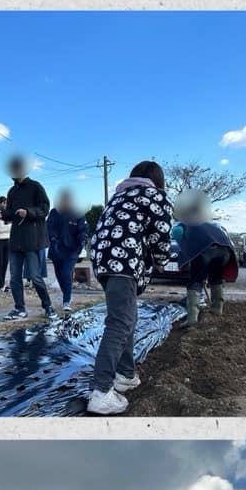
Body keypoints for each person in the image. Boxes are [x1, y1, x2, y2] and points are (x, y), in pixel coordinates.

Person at [86, 161, 173, 415]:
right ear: (158, 180)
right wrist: (161, 261)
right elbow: (161, 235)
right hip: (124, 262)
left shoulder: (120, 197)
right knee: (119, 322)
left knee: (128, 318)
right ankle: (101, 392)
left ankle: (125, 374)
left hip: (104, 261)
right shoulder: (155, 196)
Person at [173, 192, 238, 327]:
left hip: (204, 251)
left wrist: (187, 254)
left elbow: (180, 239)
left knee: (195, 281)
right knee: (216, 278)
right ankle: (216, 308)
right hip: (225, 251)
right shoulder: (210, 224)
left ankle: (192, 318)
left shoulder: (182, 224)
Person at [1, 156, 53, 320]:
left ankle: (48, 306)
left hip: (33, 240)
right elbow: (10, 213)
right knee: (15, 278)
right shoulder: (12, 191)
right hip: (15, 241)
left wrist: (28, 212)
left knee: (36, 277)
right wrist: (3, 214)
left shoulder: (36, 187)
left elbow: (45, 209)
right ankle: (19, 309)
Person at [47, 190, 88, 313]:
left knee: (66, 273)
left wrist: (81, 242)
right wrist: (53, 239)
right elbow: (49, 227)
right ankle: (67, 293)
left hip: (72, 250)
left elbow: (83, 230)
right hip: (56, 250)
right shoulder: (54, 213)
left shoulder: (78, 214)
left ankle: (66, 300)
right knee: (60, 275)